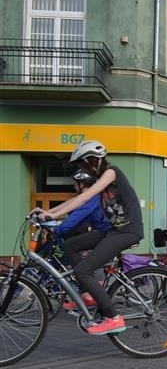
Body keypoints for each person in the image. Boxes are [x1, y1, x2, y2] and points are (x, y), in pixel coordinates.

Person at [29, 140, 143, 335]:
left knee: (83, 269)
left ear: (92, 161)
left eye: (82, 164)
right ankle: (88, 295)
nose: (82, 169)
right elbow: (78, 201)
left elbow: (82, 198)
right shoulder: (101, 180)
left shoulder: (111, 172)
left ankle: (113, 317)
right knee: (70, 245)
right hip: (114, 230)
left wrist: (53, 216)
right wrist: (48, 211)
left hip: (128, 230)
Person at [53, 170, 110, 240]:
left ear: (82, 184)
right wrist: (48, 212)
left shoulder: (91, 198)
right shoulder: (88, 197)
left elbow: (77, 215)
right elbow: (69, 204)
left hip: (105, 234)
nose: (74, 186)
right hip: (98, 233)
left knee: (70, 246)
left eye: (75, 183)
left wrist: (57, 230)